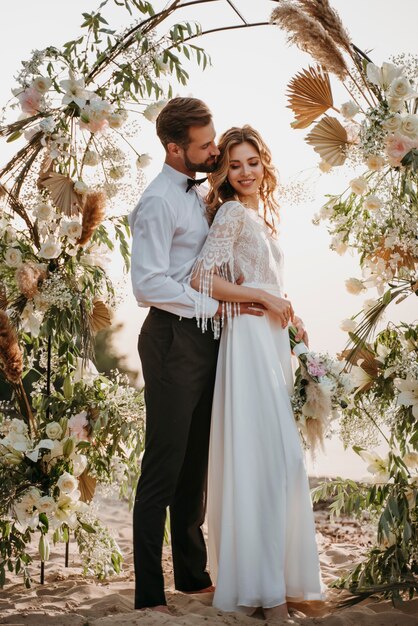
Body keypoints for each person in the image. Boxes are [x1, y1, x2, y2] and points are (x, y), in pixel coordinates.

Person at [128, 98, 264, 613]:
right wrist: (212, 305)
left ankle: (190, 575)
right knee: (162, 465)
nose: (214, 152)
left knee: (194, 466)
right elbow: (148, 284)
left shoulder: (200, 193)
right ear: (174, 148)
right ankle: (147, 595)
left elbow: (202, 261)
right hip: (170, 340)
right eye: (205, 146)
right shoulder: (160, 200)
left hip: (205, 336)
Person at [190, 125, 324, 620]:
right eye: (236, 164)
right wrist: (262, 297)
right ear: (224, 171)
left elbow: (265, 281)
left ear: (263, 163)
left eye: (253, 162)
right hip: (246, 345)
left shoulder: (257, 217)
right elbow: (203, 277)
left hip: (270, 344)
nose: (246, 172)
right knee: (269, 462)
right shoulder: (229, 212)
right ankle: (262, 592)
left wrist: (292, 316)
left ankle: (278, 586)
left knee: (279, 463)